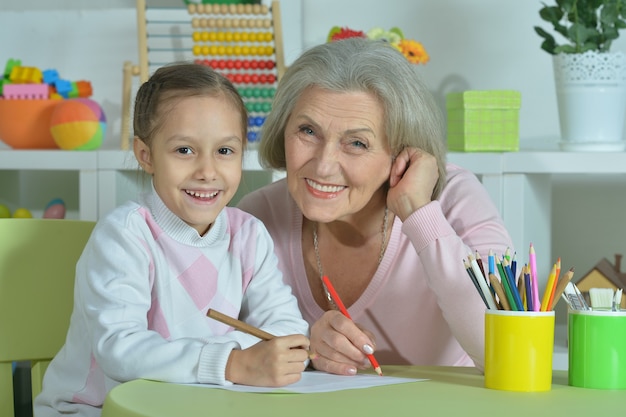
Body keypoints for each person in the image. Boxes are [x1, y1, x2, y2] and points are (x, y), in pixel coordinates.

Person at [35, 63, 310, 417]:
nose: (207, 171)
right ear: (146, 155)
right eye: (184, 150)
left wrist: (243, 359)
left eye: (225, 151)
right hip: (95, 410)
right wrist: (232, 363)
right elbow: (120, 349)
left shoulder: (249, 235)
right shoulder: (125, 234)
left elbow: (286, 331)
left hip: (195, 406)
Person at [237, 38, 514, 376]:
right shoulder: (257, 218)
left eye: (357, 143)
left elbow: (506, 350)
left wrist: (417, 211)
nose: (323, 165)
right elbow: (214, 339)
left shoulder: (455, 199)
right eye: (308, 131)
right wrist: (307, 346)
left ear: (401, 152)